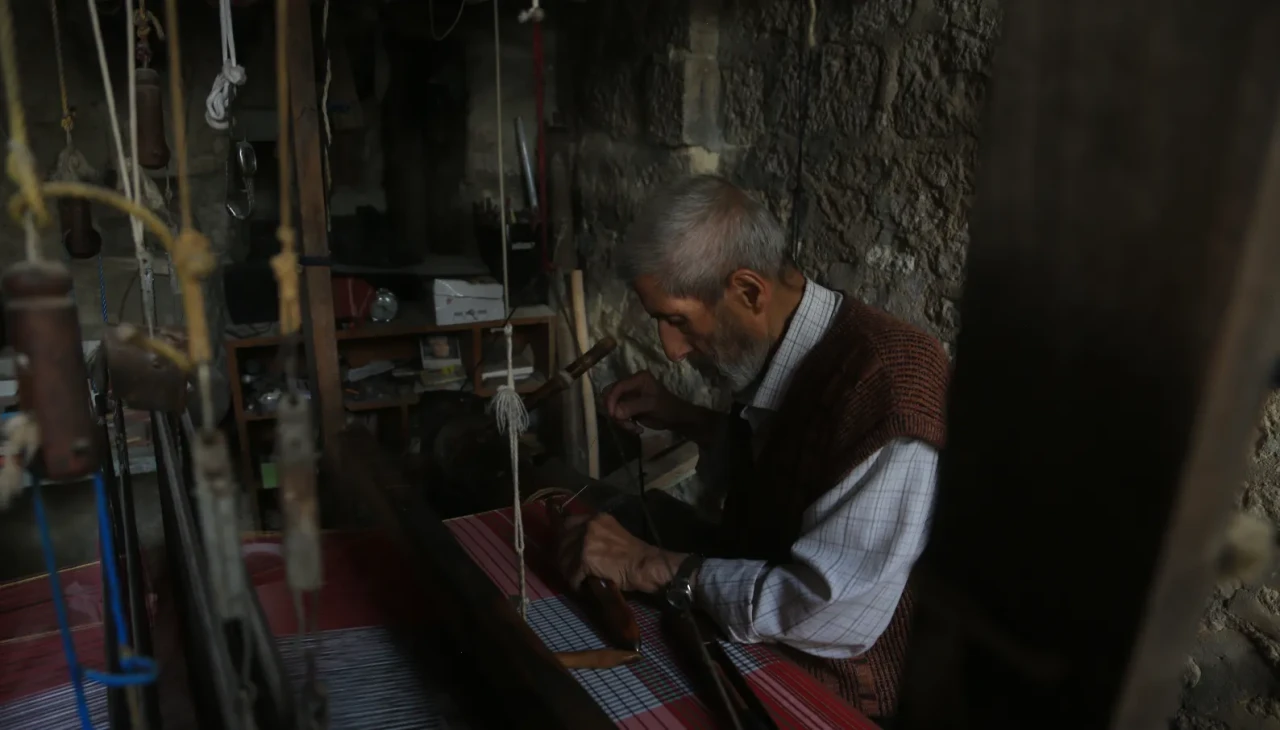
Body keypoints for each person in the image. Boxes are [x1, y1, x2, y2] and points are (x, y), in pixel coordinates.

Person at [556, 174, 950, 722]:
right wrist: (686, 417)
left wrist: (649, 562)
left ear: (748, 292)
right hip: (744, 647)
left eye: (677, 321)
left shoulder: (889, 387)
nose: (671, 350)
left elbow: (828, 611)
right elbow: (792, 461)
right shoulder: (788, 349)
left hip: (826, 694)